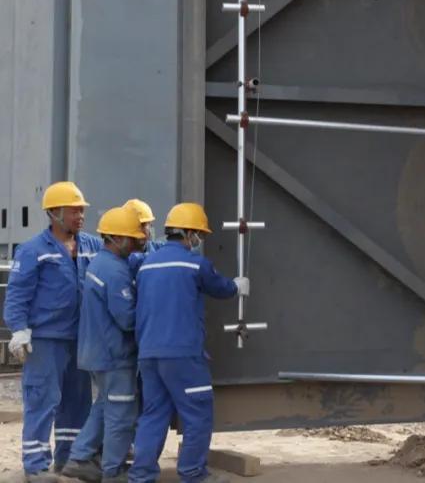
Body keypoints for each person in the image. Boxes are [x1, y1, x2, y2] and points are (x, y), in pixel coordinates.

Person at [127, 203, 248, 483]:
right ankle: (193, 474)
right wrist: (237, 286)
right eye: (199, 235)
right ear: (189, 233)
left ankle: (141, 475)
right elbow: (221, 288)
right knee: (197, 413)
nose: (199, 240)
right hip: (182, 354)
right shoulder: (195, 264)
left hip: (148, 354)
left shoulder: (147, 265)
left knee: (153, 415)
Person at [3, 181, 101, 481]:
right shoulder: (33, 250)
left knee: (78, 402)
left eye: (81, 210)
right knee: (43, 400)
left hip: (80, 339)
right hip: (46, 341)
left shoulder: (91, 246)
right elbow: (17, 295)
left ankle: (69, 459)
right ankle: (35, 465)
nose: (80, 216)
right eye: (74, 211)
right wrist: (19, 330)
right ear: (54, 213)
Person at [61, 207, 146, 482]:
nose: (137, 242)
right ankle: (113, 470)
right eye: (132, 238)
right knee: (121, 413)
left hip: (98, 353)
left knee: (103, 407)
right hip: (114, 356)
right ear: (117, 239)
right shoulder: (115, 271)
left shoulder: (101, 262)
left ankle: (80, 458)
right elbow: (127, 318)